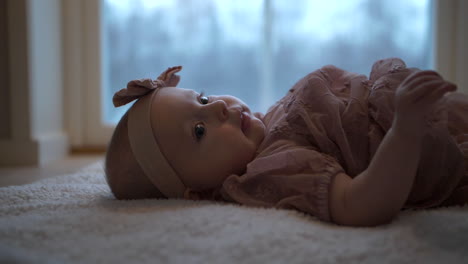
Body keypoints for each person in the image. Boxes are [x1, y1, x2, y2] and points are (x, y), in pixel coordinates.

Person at [105, 58, 468, 227]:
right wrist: (404, 131)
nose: (217, 107)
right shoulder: (274, 168)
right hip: (434, 142)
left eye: (202, 98)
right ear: (195, 192)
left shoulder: (268, 125)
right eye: (199, 130)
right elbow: (359, 205)